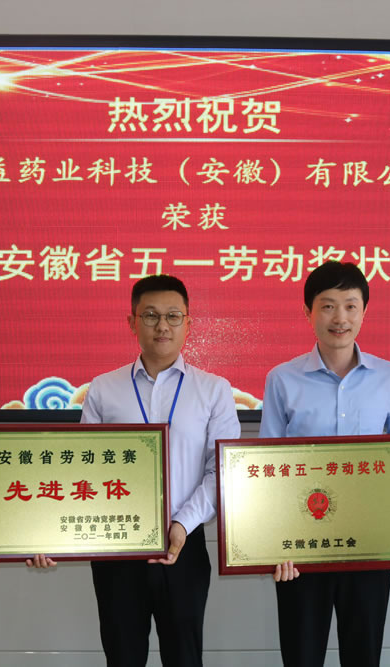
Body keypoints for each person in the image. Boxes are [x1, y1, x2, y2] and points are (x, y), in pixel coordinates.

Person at [78, 274, 241, 666]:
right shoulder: (103, 389)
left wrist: (182, 523)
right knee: (122, 655)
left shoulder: (214, 390)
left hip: (184, 544)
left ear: (189, 323)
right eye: (150, 315)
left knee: (184, 657)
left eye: (173, 316)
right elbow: (84, 469)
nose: (162, 326)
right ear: (132, 322)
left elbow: (221, 470)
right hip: (117, 546)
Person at [261, 261, 390, 667]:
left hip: (371, 544)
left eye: (350, 306)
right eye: (327, 306)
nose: (339, 318)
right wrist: (273, 542)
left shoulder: (388, 376)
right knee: (301, 655)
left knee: (364, 656)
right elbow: (265, 467)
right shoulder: (282, 379)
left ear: (364, 311)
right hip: (301, 548)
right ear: (308, 312)